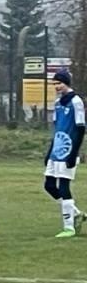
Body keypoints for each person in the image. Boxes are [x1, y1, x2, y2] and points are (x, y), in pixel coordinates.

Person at [44, 69, 85, 237]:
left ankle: (69, 227)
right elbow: (57, 129)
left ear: (66, 83)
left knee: (64, 186)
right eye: (54, 84)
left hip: (68, 151)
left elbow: (81, 129)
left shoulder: (76, 102)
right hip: (56, 151)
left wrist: (73, 153)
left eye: (59, 83)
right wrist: (49, 152)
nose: (56, 87)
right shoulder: (58, 103)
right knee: (49, 185)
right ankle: (75, 213)